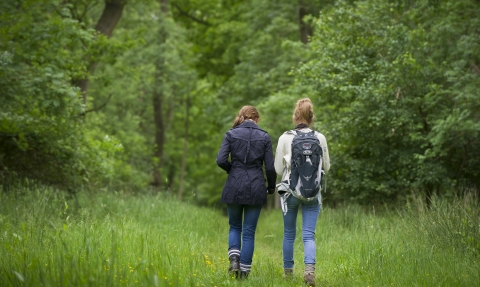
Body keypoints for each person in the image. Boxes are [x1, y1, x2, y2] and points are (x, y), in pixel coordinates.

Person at [274, 98, 330, 287]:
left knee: (289, 234)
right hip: (313, 193)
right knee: (308, 235)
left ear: (295, 116)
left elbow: (279, 170)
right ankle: (309, 272)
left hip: (290, 192)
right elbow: (327, 167)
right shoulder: (320, 138)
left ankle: (288, 274)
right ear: (311, 117)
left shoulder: (284, 137)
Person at [216, 105, 277, 279]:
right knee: (249, 231)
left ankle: (234, 260)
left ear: (242, 117)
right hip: (256, 186)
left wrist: (231, 169)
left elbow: (220, 160)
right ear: (256, 119)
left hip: (234, 184)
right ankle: (243, 274)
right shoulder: (264, 136)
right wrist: (271, 187)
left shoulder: (231, 134)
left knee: (235, 226)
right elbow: (270, 168)